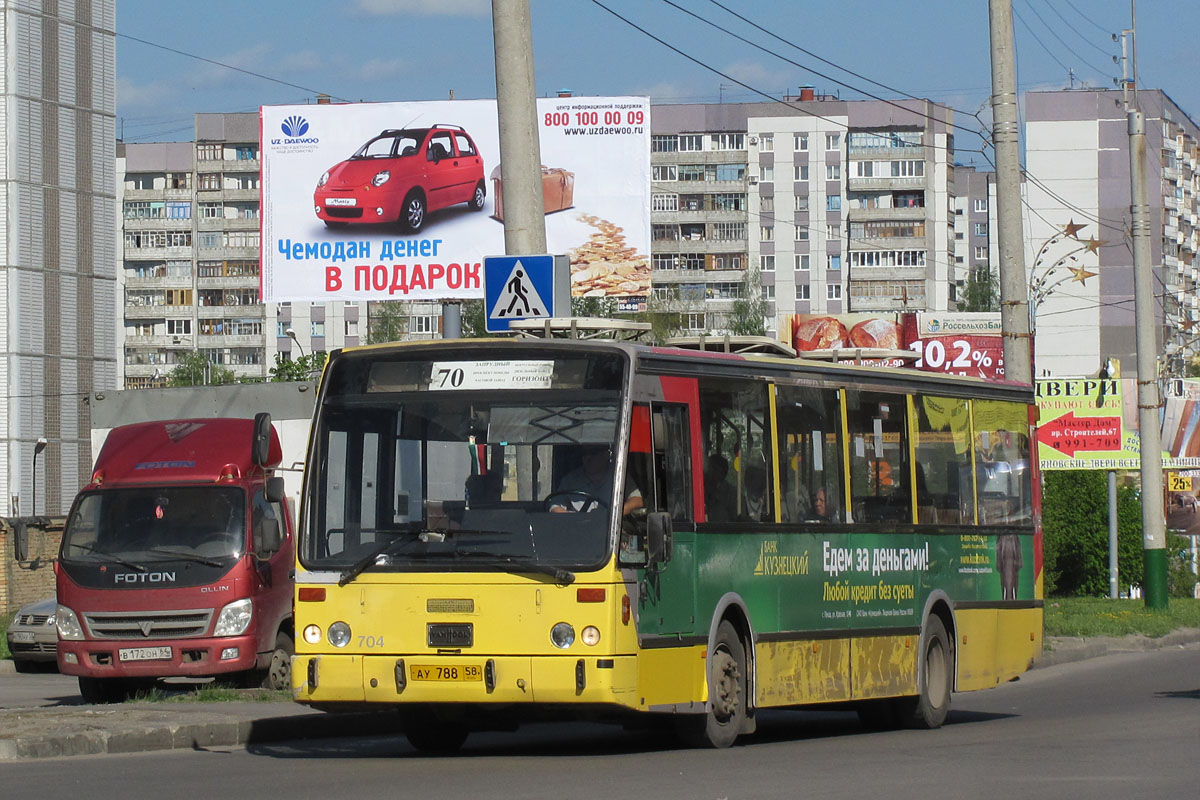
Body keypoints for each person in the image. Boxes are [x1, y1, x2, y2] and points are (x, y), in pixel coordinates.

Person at [550, 445, 643, 515]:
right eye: (584, 454)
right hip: (577, 531)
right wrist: (573, 519)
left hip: (610, 533)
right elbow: (554, 505)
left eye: (593, 453)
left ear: (606, 455)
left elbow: (638, 499)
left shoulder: (618, 476)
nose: (588, 458)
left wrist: (616, 512)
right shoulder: (570, 480)